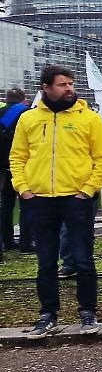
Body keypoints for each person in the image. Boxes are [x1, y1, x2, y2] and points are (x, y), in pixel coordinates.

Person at [12, 65, 102, 339]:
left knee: (82, 259)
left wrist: (88, 190)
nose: (69, 88)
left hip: (77, 198)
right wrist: (23, 188)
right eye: (62, 84)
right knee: (45, 261)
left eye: (71, 83)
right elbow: (17, 157)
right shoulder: (28, 119)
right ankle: (48, 315)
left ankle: (88, 312)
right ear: (45, 88)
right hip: (39, 199)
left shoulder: (89, 119)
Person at [0, 87, 32, 253]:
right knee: (26, 203)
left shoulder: (1, 112)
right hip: (22, 164)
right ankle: (26, 243)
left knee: (6, 205)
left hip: (3, 167)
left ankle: (7, 241)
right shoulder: (27, 114)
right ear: (23, 99)